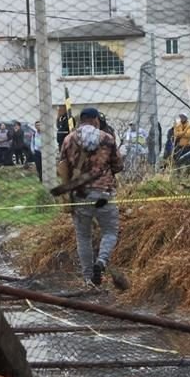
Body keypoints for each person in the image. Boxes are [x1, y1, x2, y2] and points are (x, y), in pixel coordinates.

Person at [53, 107, 123, 288]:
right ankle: (101, 261)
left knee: (83, 237)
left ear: (80, 120)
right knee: (110, 231)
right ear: (95, 120)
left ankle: (88, 279)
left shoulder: (69, 139)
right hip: (103, 193)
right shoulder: (106, 138)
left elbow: (62, 166)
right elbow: (118, 165)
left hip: (80, 195)